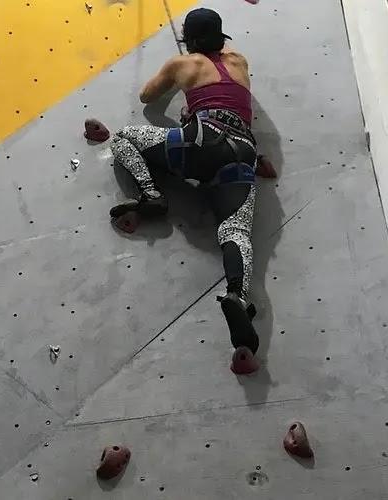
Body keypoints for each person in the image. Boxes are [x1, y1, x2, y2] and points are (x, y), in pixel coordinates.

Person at [110, 8, 260, 356]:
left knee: (124, 138)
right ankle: (238, 294)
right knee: (236, 231)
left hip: (200, 140)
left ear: (189, 40)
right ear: (223, 38)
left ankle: (152, 196)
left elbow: (148, 97)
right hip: (243, 150)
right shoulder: (239, 60)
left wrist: (180, 78)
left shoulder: (183, 63)